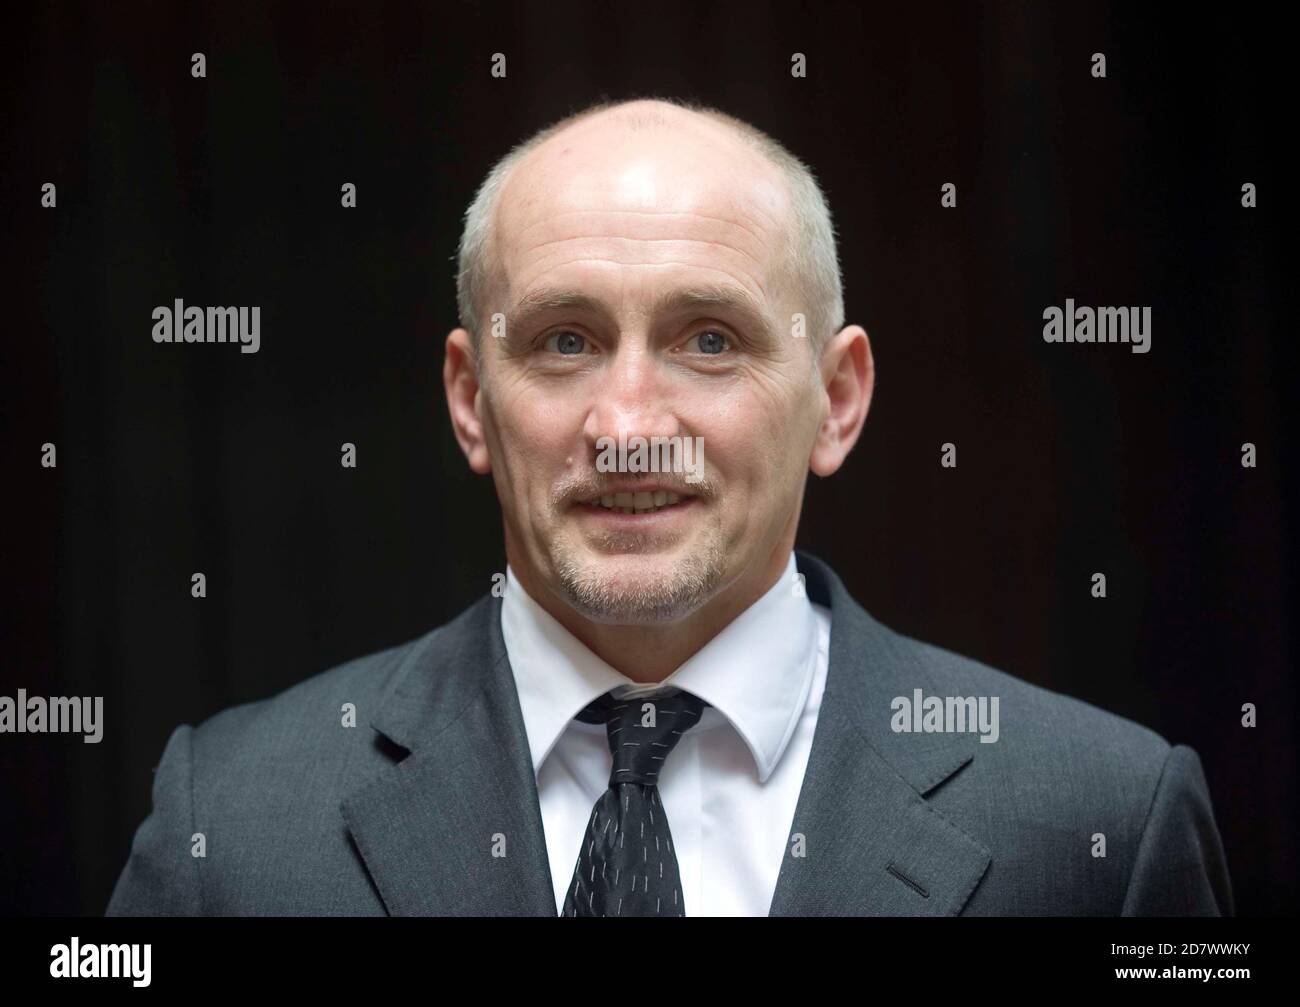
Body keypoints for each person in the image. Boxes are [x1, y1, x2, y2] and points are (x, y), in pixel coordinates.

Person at [107, 97, 1232, 916]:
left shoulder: (1102, 825)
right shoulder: (237, 826)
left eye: (708, 338)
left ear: (835, 400)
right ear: (469, 401)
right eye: (563, 340)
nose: (629, 422)